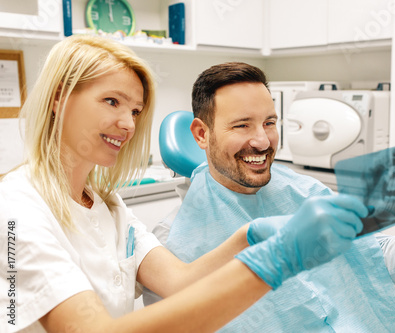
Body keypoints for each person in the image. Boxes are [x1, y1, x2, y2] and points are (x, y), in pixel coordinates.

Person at [0, 36, 374, 333]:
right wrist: (275, 262)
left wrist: (250, 236)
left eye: (134, 110)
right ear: (59, 97)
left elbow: (180, 281)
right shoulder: (17, 208)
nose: (128, 124)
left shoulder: (107, 203)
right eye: (111, 101)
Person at [146, 62, 395, 332]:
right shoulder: (173, 247)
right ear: (201, 134)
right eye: (242, 125)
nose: (263, 141)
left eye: (269, 122)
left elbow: (379, 263)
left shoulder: (303, 189)